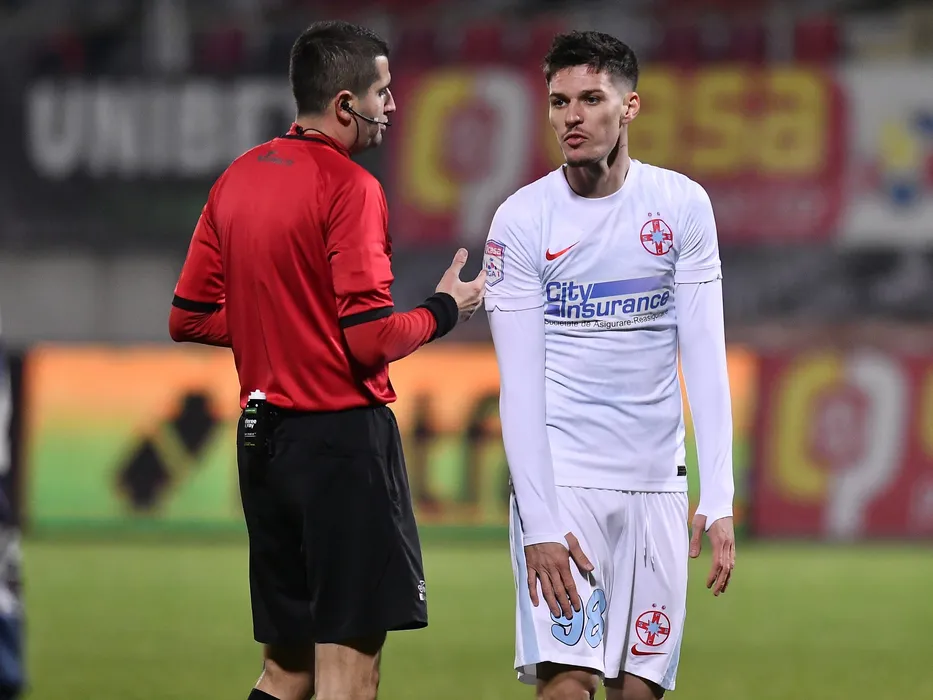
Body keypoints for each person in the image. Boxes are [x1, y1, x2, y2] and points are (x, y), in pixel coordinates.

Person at [168, 20, 486, 700]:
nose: (392, 104)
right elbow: (369, 340)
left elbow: (187, 316)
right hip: (340, 446)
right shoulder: (350, 188)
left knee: (287, 673)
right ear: (346, 104)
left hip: (263, 444)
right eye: (383, 91)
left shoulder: (236, 178)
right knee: (349, 675)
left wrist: (282, 333)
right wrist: (445, 309)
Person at [484, 30, 735, 700]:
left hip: (657, 484)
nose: (571, 116)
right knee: (567, 685)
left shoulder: (680, 206)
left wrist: (718, 495)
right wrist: (538, 522)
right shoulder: (521, 220)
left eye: (590, 99)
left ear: (629, 107)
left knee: (638, 692)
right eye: (558, 101)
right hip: (565, 481)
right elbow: (518, 388)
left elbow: (705, 359)